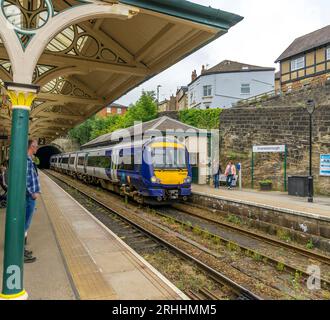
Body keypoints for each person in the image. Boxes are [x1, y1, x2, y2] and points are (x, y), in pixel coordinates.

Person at [25, 139, 41, 263]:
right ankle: (20, 251)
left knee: (25, 224)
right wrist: (33, 193)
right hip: (29, 197)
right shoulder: (27, 160)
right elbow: (26, 178)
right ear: (32, 146)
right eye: (36, 146)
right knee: (24, 225)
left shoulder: (29, 159)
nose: (37, 149)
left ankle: (21, 249)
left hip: (29, 197)